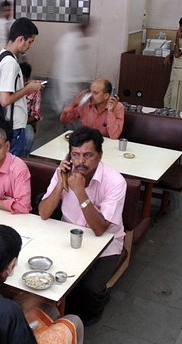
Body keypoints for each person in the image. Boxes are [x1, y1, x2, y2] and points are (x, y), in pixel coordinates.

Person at [38, 127, 126, 326]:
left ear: (99, 155)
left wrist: (80, 193)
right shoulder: (63, 172)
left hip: (105, 243)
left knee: (90, 288)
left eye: (88, 155)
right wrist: (61, 182)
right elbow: (44, 213)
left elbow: (100, 229)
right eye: (75, 155)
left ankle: (94, 310)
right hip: (67, 235)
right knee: (47, 274)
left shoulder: (115, 182)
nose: (81, 162)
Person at [0, 17, 45, 157]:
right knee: (13, 168)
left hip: (10, 123)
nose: (30, 46)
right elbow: (4, 100)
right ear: (21, 38)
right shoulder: (10, 62)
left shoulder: (1, 56)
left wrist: (27, 85)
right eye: (30, 42)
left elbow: (7, 89)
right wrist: (29, 89)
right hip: (13, 126)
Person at [51, 20, 92, 117]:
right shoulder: (73, 40)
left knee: (70, 106)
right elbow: (75, 64)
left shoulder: (68, 38)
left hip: (66, 79)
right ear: (84, 28)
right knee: (71, 108)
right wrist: (81, 78)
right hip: (69, 80)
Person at [60, 79, 124, 139]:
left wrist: (110, 112)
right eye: (90, 92)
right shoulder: (85, 104)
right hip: (86, 142)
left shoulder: (117, 107)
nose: (91, 95)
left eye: (95, 93)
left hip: (105, 144)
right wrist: (73, 104)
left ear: (106, 96)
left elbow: (114, 136)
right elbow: (64, 120)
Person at [20, 62, 43, 157]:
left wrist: (21, 122)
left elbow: (35, 115)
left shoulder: (34, 91)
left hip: (25, 123)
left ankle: (23, 160)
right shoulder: (10, 88)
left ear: (25, 77)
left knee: (29, 137)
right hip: (9, 122)